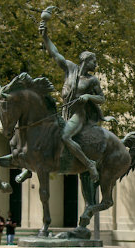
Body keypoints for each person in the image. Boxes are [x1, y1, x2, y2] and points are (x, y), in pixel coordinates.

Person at [40, 8, 111, 182]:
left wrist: (88, 97)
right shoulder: (70, 69)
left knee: (64, 136)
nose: (96, 64)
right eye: (94, 61)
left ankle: (89, 164)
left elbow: (102, 98)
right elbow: (55, 53)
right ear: (86, 61)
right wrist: (45, 36)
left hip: (78, 115)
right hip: (63, 112)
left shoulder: (92, 81)